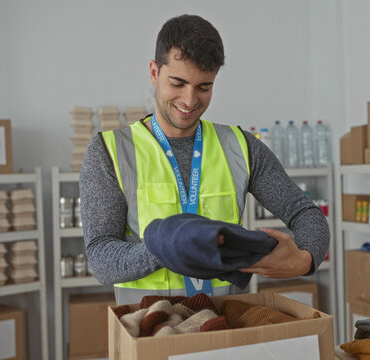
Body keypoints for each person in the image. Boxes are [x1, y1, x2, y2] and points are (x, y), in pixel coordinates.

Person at [80, 14, 329, 305]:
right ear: (154, 72)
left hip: (224, 330)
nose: (189, 100)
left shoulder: (241, 147)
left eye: (204, 87)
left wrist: (306, 259)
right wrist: (168, 248)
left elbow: (306, 213)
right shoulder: (109, 151)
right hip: (150, 331)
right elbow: (100, 256)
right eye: (177, 82)